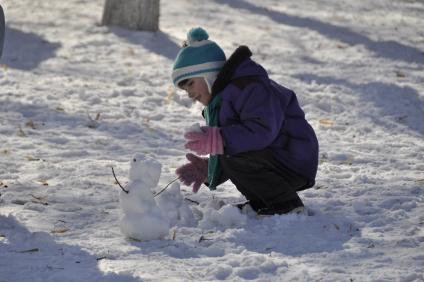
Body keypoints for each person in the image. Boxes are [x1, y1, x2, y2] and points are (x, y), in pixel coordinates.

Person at [173, 27, 319, 215]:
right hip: (278, 159)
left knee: (231, 150)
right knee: (230, 149)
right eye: (185, 90)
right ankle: (265, 201)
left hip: (293, 158)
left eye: (190, 83)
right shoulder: (222, 102)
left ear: (209, 72)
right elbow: (236, 144)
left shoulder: (248, 87)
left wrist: (219, 140)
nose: (190, 93)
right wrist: (209, 169)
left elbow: (262, 131)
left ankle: (286, 203)